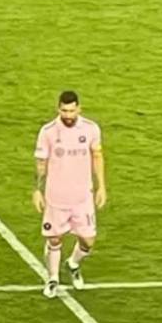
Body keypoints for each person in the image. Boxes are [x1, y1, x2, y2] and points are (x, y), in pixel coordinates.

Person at [33, 91, 107, 298]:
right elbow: (41, 163)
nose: (68, 114)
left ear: (79, 109)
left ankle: (73, 263)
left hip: (82, 197)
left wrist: (101, 186)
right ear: (58, 109)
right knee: (54, 239)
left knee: (88, 241)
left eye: (72, 110)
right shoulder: (48, 132)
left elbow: (97, 156)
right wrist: (38, 190)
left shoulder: (91, 129)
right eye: (64, 110)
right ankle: (53, 278)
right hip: (56, 198)